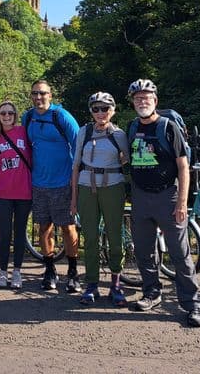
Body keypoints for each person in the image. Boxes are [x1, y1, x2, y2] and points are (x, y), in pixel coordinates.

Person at [126, 78, 200, 327]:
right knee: (143, 250)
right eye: (138, 98)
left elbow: (183, 166)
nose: (142, 101)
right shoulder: (130, 127)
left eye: (146, 97)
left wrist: (182, 202)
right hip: (140, 196)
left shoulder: (168, 127)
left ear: (155, 101)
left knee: (180, 254)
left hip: (167, 196)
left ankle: (192, 304)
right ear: (133, 102)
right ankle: (152, 292)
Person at [70, 92, 130, 306]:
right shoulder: (84, 132)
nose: (100, 113)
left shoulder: (119, 134)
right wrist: (74, 199)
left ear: (112, 110)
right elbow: (76, 165)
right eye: (96, 108)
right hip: (87, 186)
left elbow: (128, 160)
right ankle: (91, 283)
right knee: (91, 238)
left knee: (115, 236)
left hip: (113, 186)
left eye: (105, 108)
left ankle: (115, 283)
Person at [22, 79, 81, 292]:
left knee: (68, 227)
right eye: (35, 93)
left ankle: (73, 271)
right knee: (44, 228)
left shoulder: (61, 116)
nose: (39, 98)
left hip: (63, 181)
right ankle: (49, 269)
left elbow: (78, 145)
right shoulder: (28, 117)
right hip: (38, 182)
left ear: (51, 95)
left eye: (43, 93)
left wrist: (76, 180)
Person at [0, 100, 32, 290]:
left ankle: (17, 271)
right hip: (2, 192)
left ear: (16, 115)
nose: (7, 116)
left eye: (10, 113)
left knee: (20, 232)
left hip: (24, 191)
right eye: (3, 113)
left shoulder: (24, 132)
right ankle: (3, 271)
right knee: (4, 233)